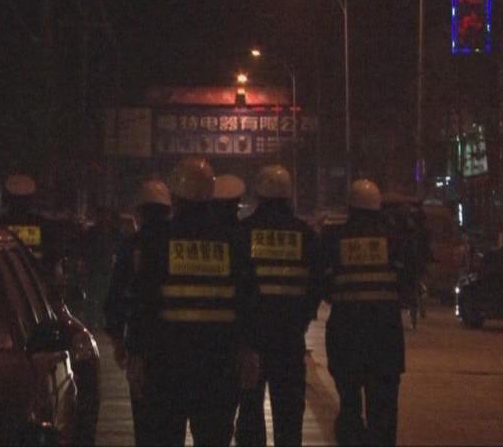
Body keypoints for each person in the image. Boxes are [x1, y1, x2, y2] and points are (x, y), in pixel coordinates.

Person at [125, 156, 260, 446]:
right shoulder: (232, 242)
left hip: (165, 367)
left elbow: (143, 303)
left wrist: (135, 353)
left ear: (174, 197)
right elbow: (249, 300)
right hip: (219, 367)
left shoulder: (156, 241)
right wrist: (249, 349)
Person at [234, 164, 322, 447]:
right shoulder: (305, 234)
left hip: (251, 340)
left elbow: (236, 287)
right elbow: (316, 284)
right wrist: (302, 319)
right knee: (288, 416)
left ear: (258, 194)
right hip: (289, 338)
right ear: (289, 195)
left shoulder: (243, 232)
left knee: (250, 412)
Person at [322, 179, 410, 446]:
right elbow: (407, 284)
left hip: (346, 336)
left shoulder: (334, 238)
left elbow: (324, 286)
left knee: (349, 406)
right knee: (383, 411)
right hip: (385, 338)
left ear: (350, 207)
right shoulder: (394, 239)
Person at [104, 178, 172, 446]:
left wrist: (118, 340)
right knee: (172, 424)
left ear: (140, 212)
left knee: (144, 422)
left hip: (141, 347)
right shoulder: (178, 243)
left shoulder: (133, 245)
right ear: (168, 210)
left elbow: (115, 296)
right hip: (179, 348)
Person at [0, 173, 66, 300]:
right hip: (37, 290)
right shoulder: (43, 225)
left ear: (8, 199)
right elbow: (54, 259)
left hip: (6, 289)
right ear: (31, 199)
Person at [81, 206, 124, 329]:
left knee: (104, 296)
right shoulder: (92, 232)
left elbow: (119, 248)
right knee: (92, 295)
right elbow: (85, 249)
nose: (104, 218)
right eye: (102, 215)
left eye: (106, 215)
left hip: (107, 269)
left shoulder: (114, 233)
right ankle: (90, 320)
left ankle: (101, 320)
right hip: (94, 269)